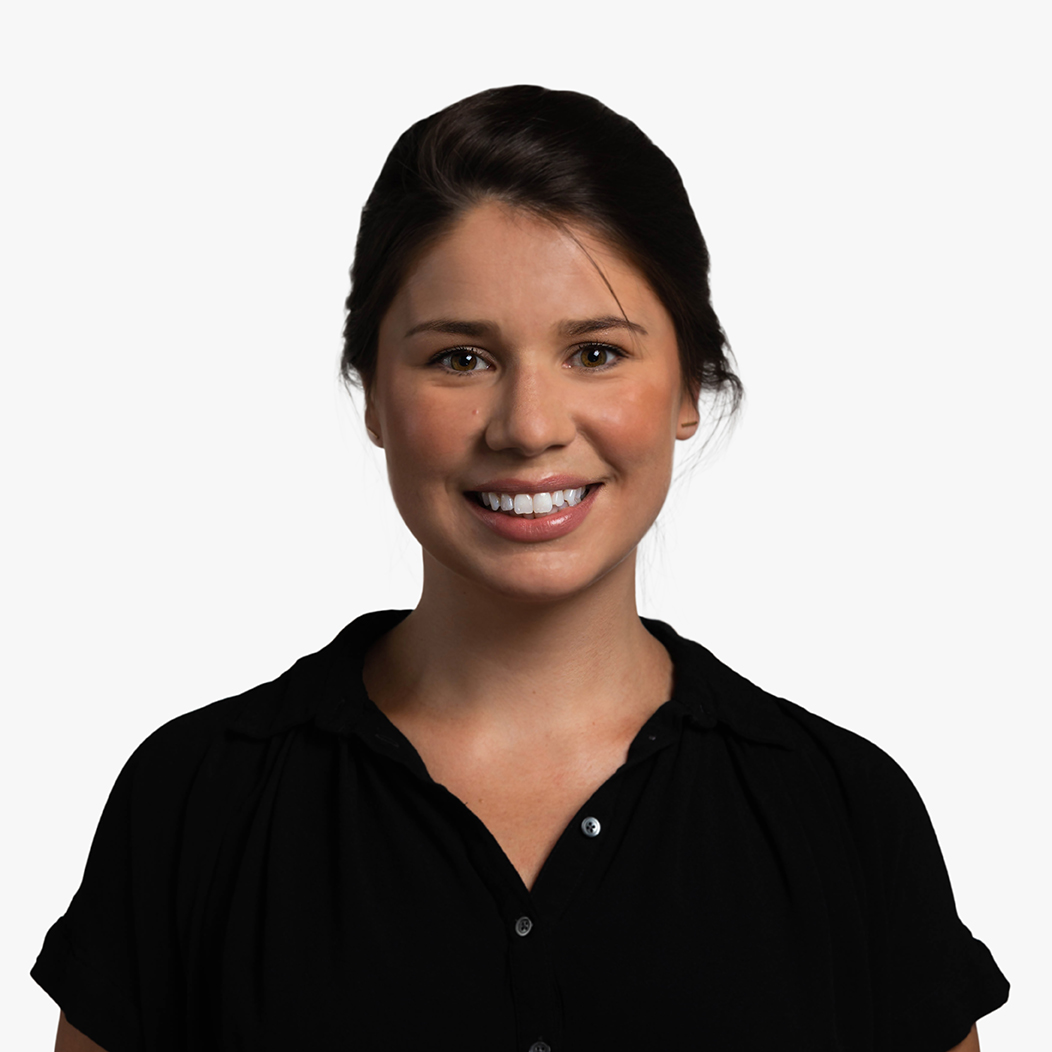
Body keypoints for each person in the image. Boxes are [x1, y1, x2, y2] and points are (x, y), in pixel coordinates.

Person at [34, 85, 1008, 1052]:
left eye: (594, 351)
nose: (529, 426)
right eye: (460, 358)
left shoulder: (839, 810)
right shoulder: (197, 800)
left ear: (689, 387)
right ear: (371, 395)